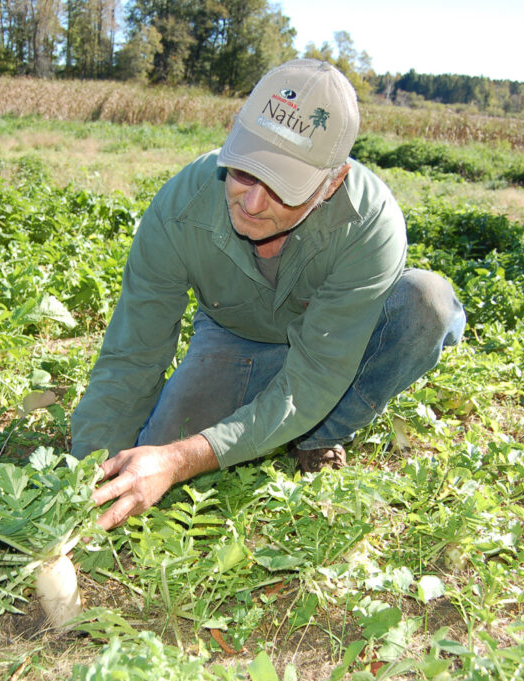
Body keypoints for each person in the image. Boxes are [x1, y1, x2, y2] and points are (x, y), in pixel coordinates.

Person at [69, 59, 466, 530]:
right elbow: (132, 355)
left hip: (333, 345)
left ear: (332, 180)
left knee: (426, 302)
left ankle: (322, 434)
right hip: (235, 337)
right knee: (158, 441)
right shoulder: (181, 208)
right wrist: (85, 476)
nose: (253, 204)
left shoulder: (370, 223)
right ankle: (263, 412)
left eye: (284, 188)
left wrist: (178, 461)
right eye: (243, 173)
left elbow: (313, 378)